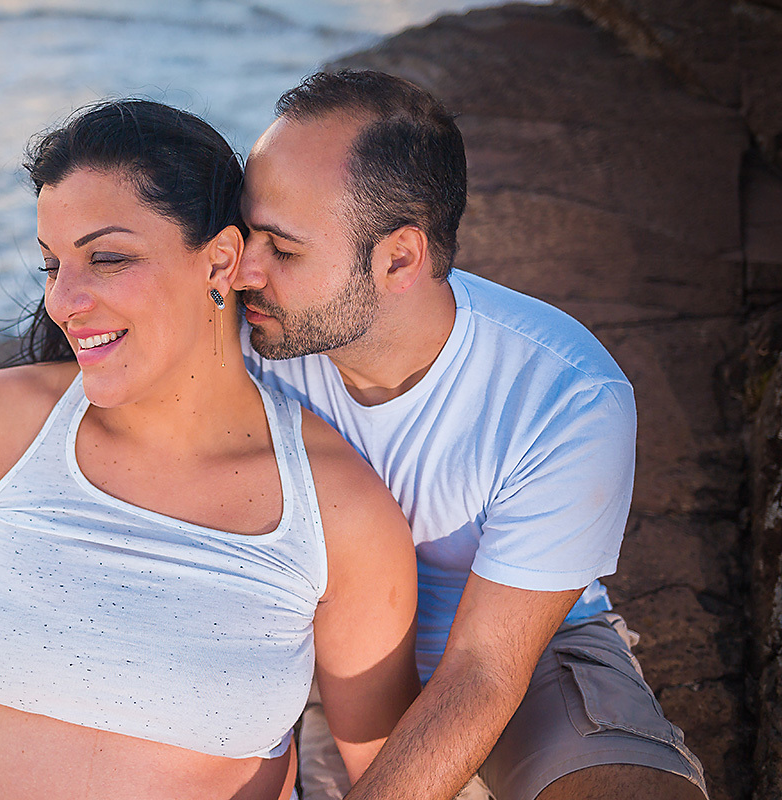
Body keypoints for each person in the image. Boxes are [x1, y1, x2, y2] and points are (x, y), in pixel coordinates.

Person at [0, 99, 420, 800]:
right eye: (51, 265)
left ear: (220, 261)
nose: (63, 301)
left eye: (108, 258)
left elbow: (389, 769)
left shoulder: (339, 513)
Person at [233, 70, 709, 800]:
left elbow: (486, 670)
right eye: (244, 234)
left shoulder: (562, 392)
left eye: (283, 250)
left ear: (398, 258)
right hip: (300, 641)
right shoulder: (243, 339)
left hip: (525, 652)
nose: (243, 273)